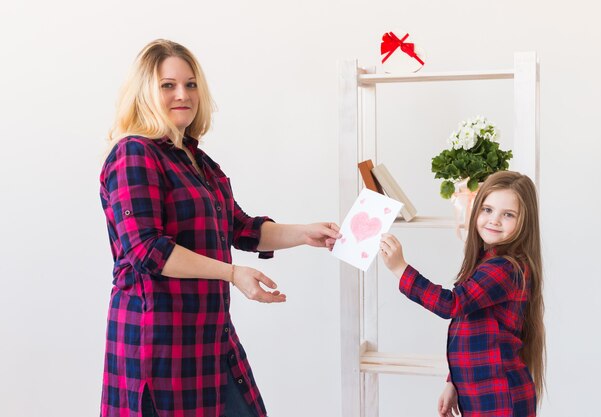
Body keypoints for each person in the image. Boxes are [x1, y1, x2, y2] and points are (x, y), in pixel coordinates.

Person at [99, 39, 341, 417]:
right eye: (168, 85)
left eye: (191, 84)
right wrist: (232, 273)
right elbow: (148, 251)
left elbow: (240, 228)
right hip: (161, 345)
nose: (183, 94)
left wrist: (306, 233)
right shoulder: (134, 153)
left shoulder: (197, 160)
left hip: (210, 339)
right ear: (145, 93)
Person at [379, 170, 545, 417]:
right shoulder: (488, 261)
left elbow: (452, 305)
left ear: (524, 221)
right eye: (487, 210)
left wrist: (400, 269)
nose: (494, 220)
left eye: (508, 215)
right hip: (483, 395)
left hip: (500, 399)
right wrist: (452, 382)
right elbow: (469, 328)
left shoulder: (504, 268)